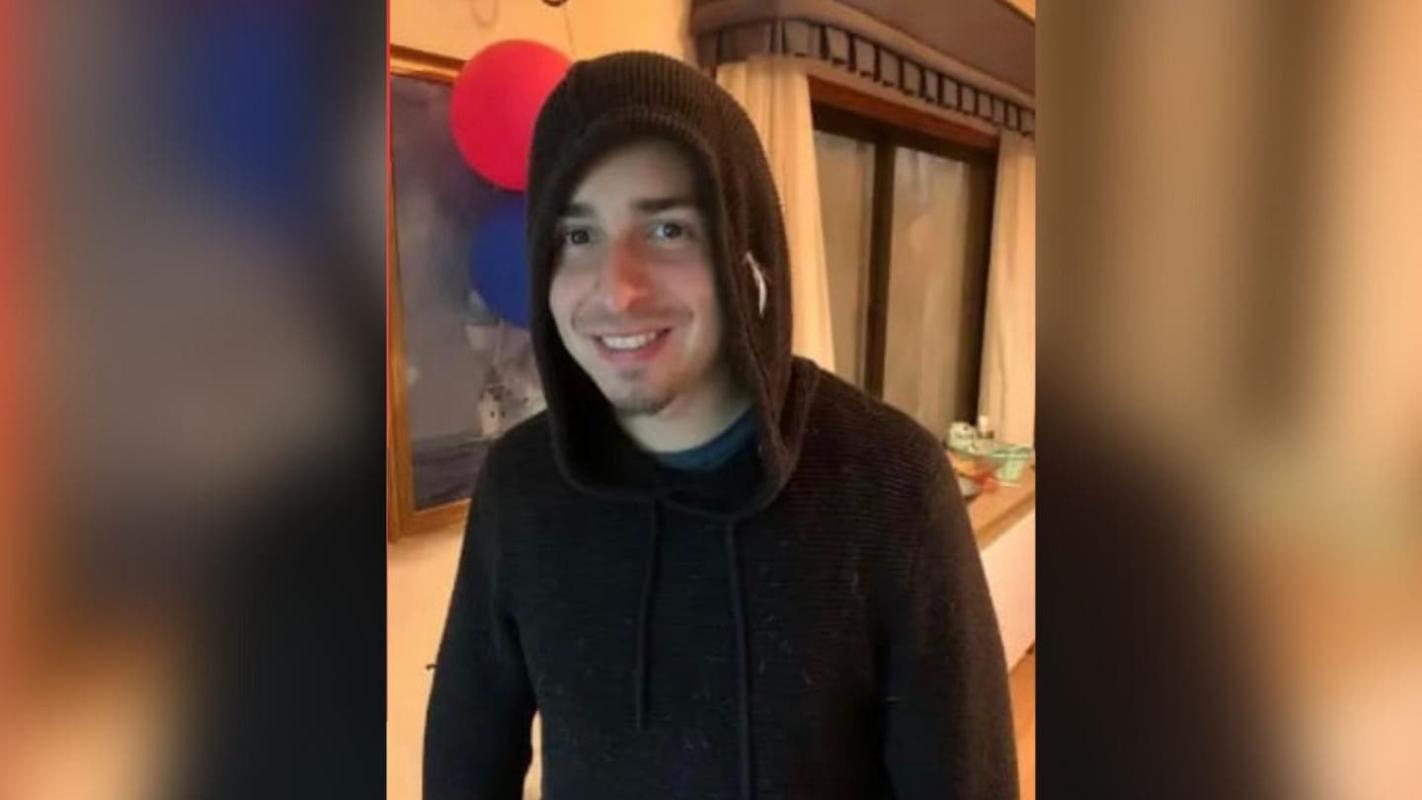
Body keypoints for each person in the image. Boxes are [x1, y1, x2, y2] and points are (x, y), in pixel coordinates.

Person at [424, 51, 1017, 800]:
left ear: (745, 246)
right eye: (577, 237)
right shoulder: (521, 487)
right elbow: (465, 766)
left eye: (667, 229)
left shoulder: (890, 487)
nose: (617, 291)